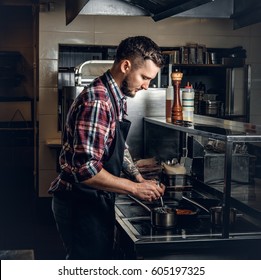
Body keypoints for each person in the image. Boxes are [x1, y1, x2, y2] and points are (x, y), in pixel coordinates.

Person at [48, 36, 165, 260]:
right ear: (125, 66)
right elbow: (85, 171)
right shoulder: (98, 101)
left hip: (93, 199)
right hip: (80, 203)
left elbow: (117, 144)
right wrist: (134, 189)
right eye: (144, 77)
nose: (146, 86)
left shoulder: (115, 97)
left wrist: (138, 177)